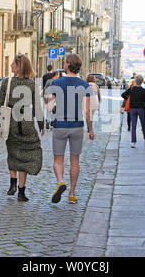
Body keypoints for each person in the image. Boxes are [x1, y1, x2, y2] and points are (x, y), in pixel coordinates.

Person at [47, 54, 95, 204]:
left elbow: (49, 105)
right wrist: (91, 129)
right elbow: (87, 111)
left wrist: (54, 107)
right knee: (75, 160)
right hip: (77, 126)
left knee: (58, 159)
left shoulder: (57, 83)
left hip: (60, 126)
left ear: (67, 64)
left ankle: (61, 182)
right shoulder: (84, 85)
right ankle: (72, 193)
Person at [0, 54, 45, 202]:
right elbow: (37, 106)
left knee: (12, 153)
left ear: (19, 67)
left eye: (13, 64)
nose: (11, 65)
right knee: (25, 156)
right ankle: (21, 192)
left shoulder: (7, 82)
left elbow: (0, 102)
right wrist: (42, 125)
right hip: (26, 122)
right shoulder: (31, 84)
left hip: (10, 122)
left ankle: (12, 183)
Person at [122, 75, 145, 148]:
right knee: (143, 124)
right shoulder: (143, 90)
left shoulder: (131, 89)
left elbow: (123, 95)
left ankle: (133, 142)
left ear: (135, 81)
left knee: (133, 125)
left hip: (133, 109)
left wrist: (129, 98)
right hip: (141, 109)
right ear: (142, 82)